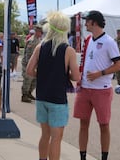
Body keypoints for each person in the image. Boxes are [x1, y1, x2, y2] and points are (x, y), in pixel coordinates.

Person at [26, 11, 81, 160]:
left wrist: (44, 74)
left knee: (45, 134)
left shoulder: (40, 47)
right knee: (56, 138)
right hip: (57, 99)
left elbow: (29, 70)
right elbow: (76, 76)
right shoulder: (68, 50)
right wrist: (63, 75)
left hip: (42, 96)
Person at [73, 10, 120, 160]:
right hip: (85, 88)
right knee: (83, 123)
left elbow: (119, 64)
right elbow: (85, 61)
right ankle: (82, 156)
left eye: (87, 21)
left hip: (102, 90)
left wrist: (100, 73)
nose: (85, 24)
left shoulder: (109, 41)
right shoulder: (88, 40)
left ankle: (104, 157)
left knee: (103, 125)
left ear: (94, 22)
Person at [21, 25, 43, 103]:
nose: (41, 34)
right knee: (28, 79)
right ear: (37, 32)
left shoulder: (38, 40)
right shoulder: (32, 41)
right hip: (28, 63)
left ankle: (29, 93)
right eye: (41, 32)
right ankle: (24, 95)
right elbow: (28, 55)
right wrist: (30, 66)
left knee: (34, 80)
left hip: (35, 64)